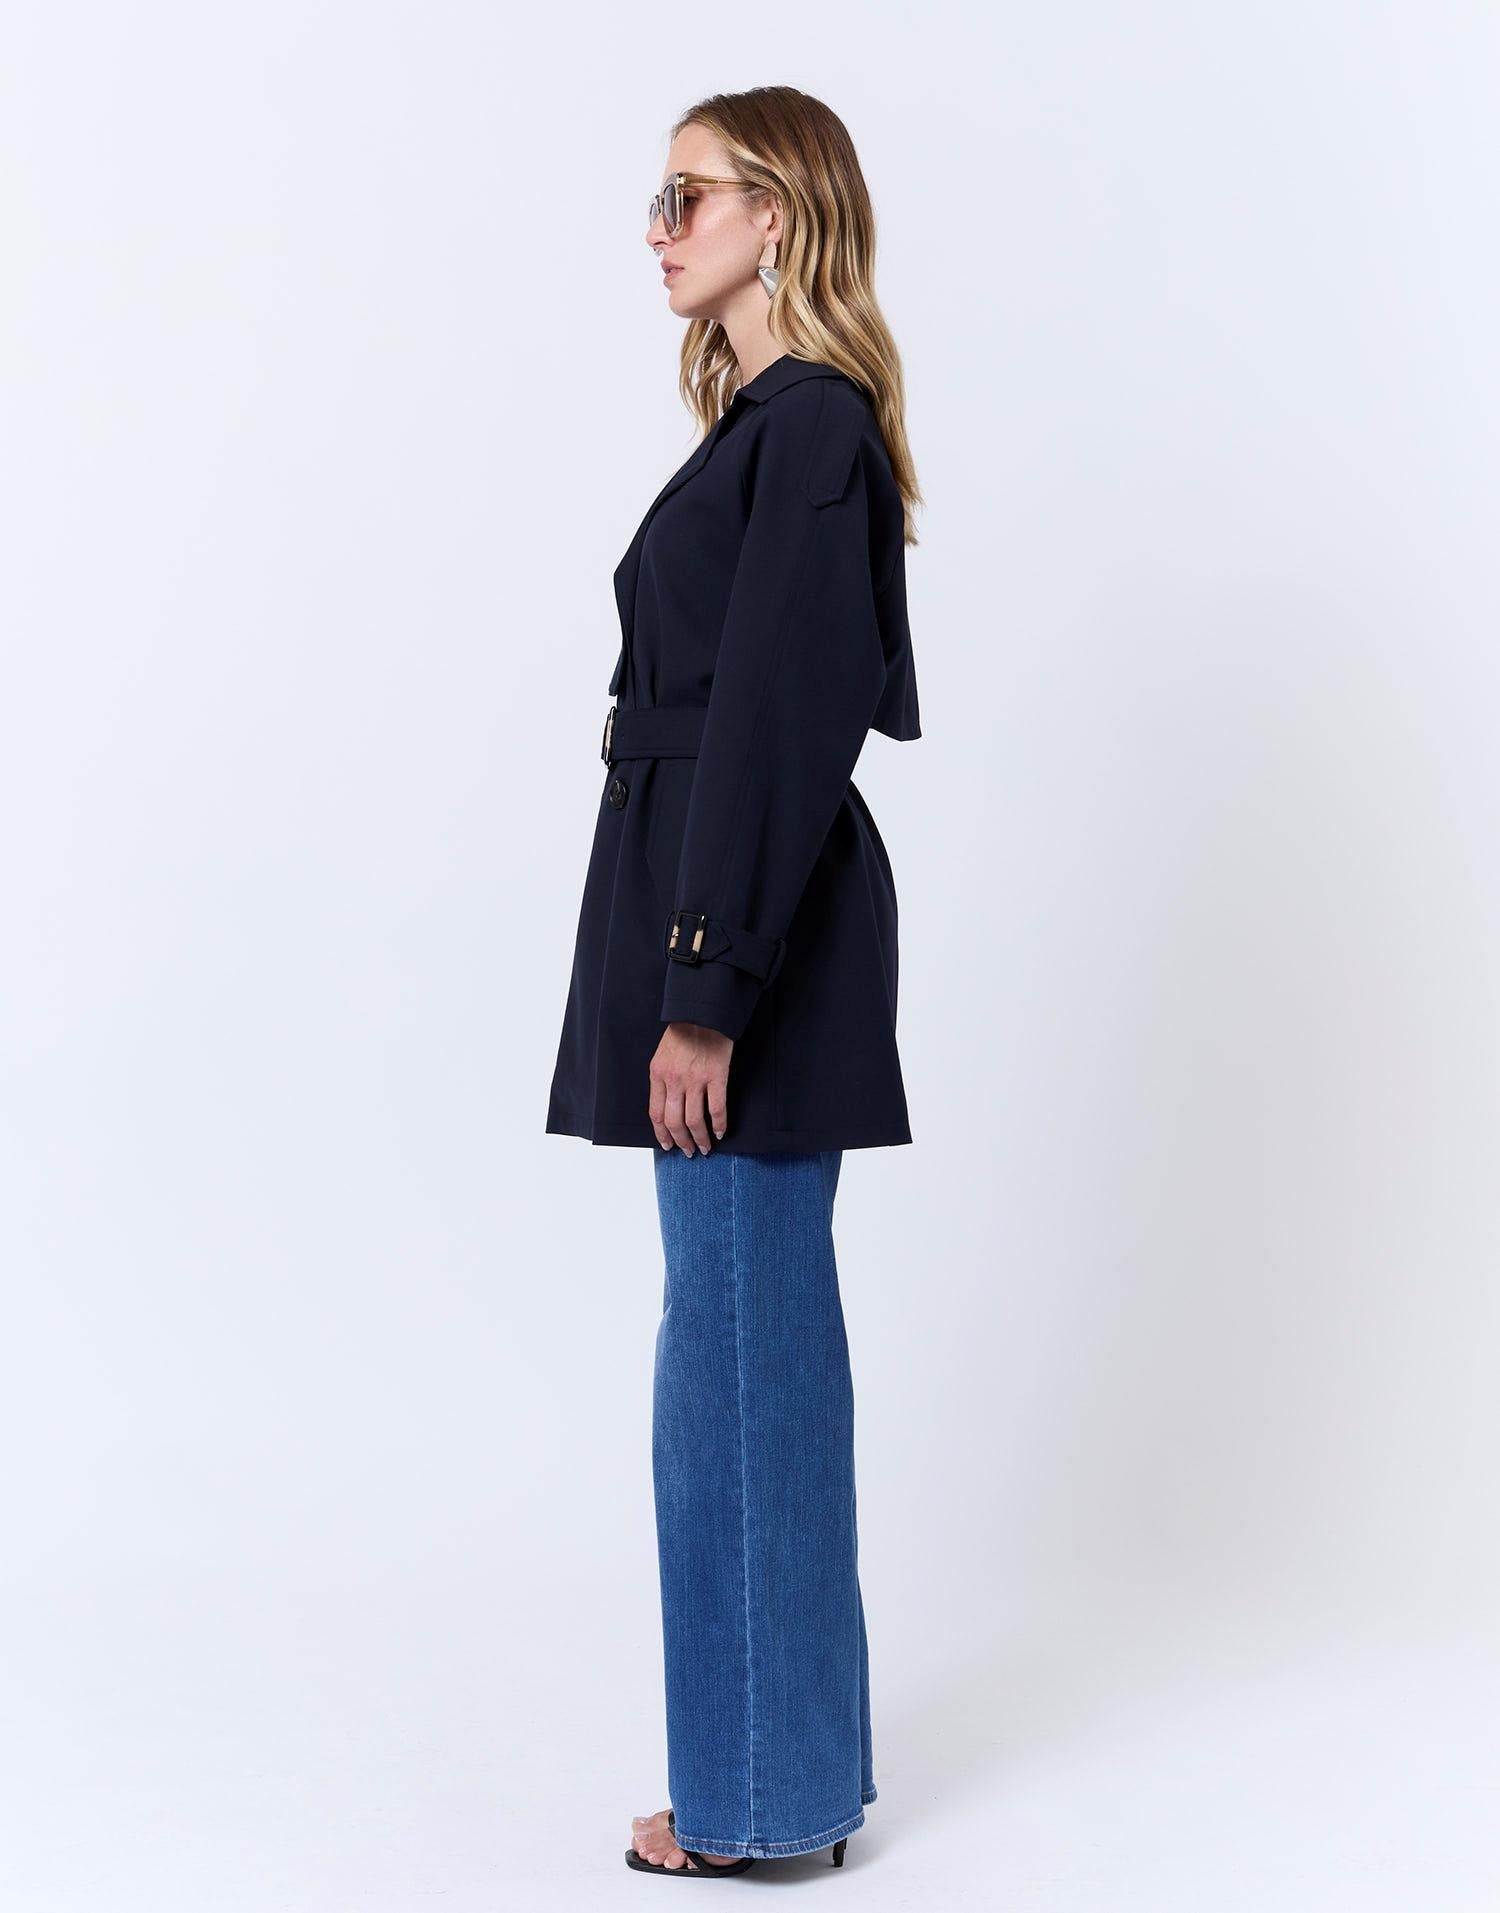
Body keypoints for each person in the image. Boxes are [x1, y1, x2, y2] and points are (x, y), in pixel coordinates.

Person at [544, 85, 923, 1875]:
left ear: (779, 212)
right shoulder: (768, 430)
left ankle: (759, 1797)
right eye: (659, 196)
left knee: (741, 1375)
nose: (659, 226)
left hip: (744, 948)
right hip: (719, 920)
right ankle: (780, 1772)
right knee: (738, 1364)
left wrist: (703, 991)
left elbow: (782, 714)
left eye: (685, 194)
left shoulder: (815, 426)